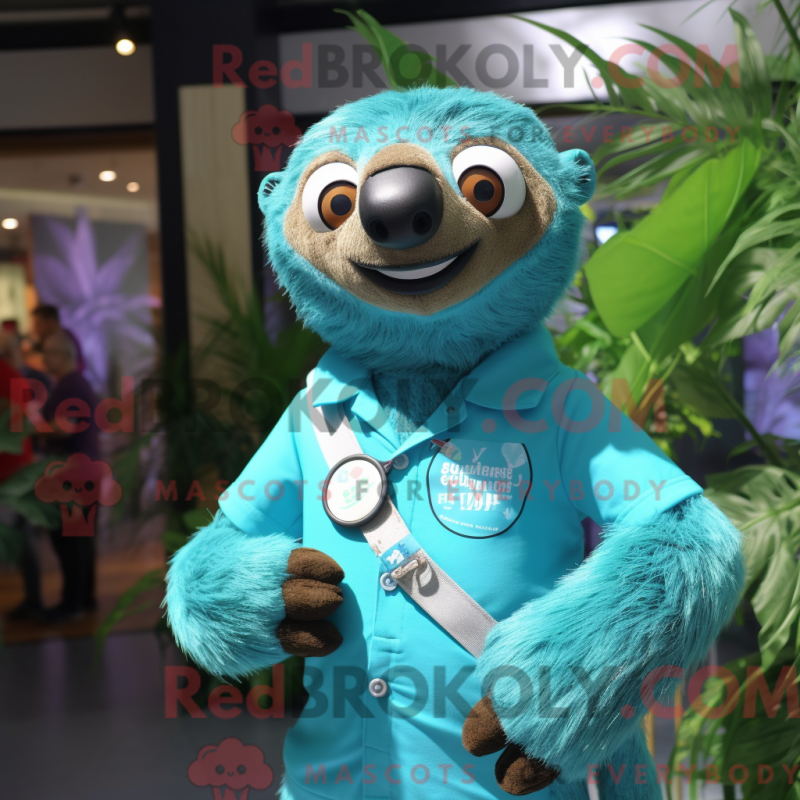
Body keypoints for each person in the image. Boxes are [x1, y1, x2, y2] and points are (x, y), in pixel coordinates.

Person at [39, 331, 99, 621]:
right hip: (84, 473)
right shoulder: (75, 383)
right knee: (80, 541)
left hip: (74, 476)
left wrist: (31, 427)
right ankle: (83, 600)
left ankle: (72, 604)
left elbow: (64, 427)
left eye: (47, 352)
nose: (43, 359)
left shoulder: (70, 385)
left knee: (70, 542)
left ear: (61, 355)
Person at [0, 332, 39, 619]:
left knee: (20, 536)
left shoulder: (6, 375)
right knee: (22, 536)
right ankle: (33, 599)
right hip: (19, 466)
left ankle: (33, 601)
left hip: (8, 469)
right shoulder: (15, 375)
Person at [30, 305, 85, 374]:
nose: (34, 330)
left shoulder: (63, 341)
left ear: (51, 322)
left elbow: (79, 366)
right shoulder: (49, 340)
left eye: (38, 324)